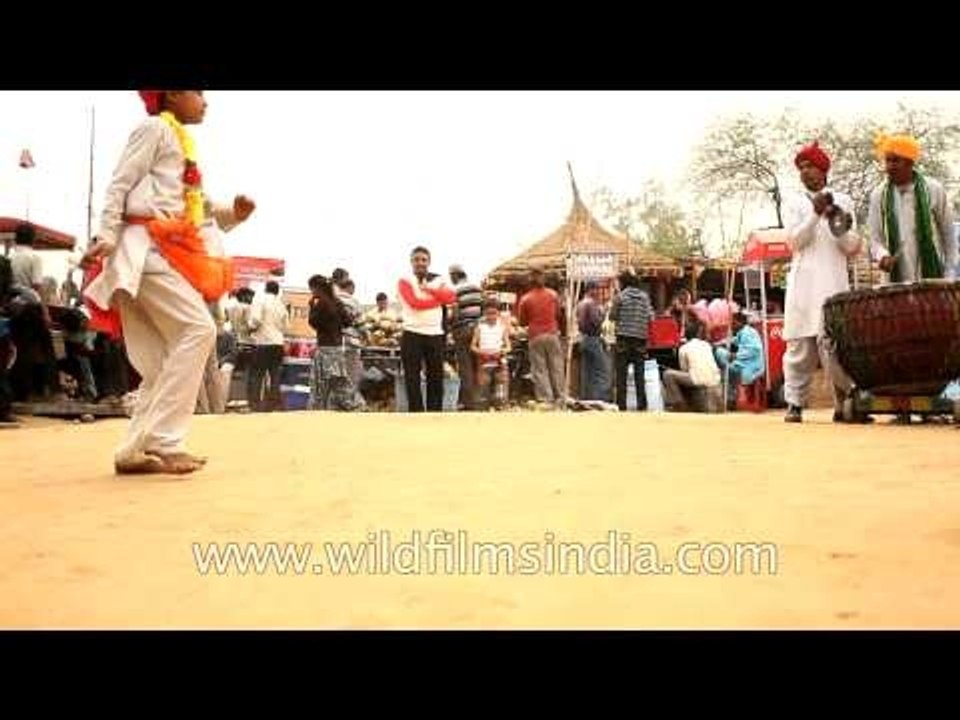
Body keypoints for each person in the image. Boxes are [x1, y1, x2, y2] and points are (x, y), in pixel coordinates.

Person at [82, 90, 256, 475]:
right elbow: (119, 184)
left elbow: (198, 209)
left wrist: (234, 214)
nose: (205, 101)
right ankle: (165, 440)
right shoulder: (154, 128)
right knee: (198, 330)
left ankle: (132, 450)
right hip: (144, 253)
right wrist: (107, 235)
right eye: (199, 93)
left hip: (153, 255)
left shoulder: (180, 143)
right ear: (173, 95)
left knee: (160, 362)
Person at [781, 140, 867, 424]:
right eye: (801, 167)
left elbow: (852, 247)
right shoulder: (793, 202)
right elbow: (794, 242)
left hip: (833, 284)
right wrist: (815, 213)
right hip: (803, 286)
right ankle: (794, 404)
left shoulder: (843, 199)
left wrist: (835, 220)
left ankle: (844, 403)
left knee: (834, 348)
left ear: (823, 169)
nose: (805, 172)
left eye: (810, 166)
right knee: (800, 349)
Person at [867, 134, 957, 282]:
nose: (889, 166)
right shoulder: (879, 195)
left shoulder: (933, 189)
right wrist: (882, 256)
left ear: (910, 162)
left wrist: (949, 275)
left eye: (895, 161)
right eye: (887, 161)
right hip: (895, 283)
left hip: (932, 280)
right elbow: (875, 239)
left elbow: (948, 236)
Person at [396, 246, 456, 412]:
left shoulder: (438, 280)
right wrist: (438, 299)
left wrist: (429, 289)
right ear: (411, 262)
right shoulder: (404, 280)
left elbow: (451, 297)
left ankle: (435, 412)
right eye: (416, 259)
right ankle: (416, 413)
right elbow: (415, 303)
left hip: (435, 334)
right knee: (412, 377)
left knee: (436, 377)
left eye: (423, 259)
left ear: (429, 262)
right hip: (412, 334)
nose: (420, 263)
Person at [307, 274, 359, 410]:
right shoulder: (336, 302)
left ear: (316, 287)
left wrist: (311, 306)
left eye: (311, 289)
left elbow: (313, 322)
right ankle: (355, 406)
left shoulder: (321, 303)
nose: (311, 292)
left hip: (325, 349)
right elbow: (348, 322)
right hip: (337, 348)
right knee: (340, 382)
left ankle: (317, 410)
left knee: (320, 384)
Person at [517, 267, 565, 407]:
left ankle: (546, 398)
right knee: (556, 366)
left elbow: (522, 321)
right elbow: (558, 314)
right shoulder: (553, 295)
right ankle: (560, 396)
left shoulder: (525, 299)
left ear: (529, 282)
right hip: (552, 333)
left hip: (535, 335)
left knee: (540, 368)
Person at [608, 270, 653, 411]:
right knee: (639, 375)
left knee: (621, 376)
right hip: (640, 340)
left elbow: (612, 317)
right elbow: (651, 317)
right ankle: (642, 406)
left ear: (623, 283)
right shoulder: (645, 297)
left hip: (623, 340)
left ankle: (622, 406)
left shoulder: (620, 297)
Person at [247, 280, 289, 412]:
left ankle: (255, 405)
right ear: (277, 291)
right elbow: (286, 327)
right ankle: (272, 405)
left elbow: (256, 320)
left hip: (263, 342)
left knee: (257, 374)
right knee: (275, 374)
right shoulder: (281, 305)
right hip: (278, 343)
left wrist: (251, 328)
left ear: (266, 289)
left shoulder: (260, 299)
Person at [662, 320, 720, 412]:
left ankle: (678, 404)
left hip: (698, 379)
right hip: (715, 380)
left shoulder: (683, 348)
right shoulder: (706, 345)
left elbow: (684, 369)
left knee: (667, 374)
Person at [448, 264, 484, 410]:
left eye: (451, 276)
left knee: (465, 366)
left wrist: (449, 325)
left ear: (455, 275)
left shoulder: (454, 291)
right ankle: (480, 399)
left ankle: (469, 403)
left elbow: (454, 313)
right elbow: (482, 310)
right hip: (478, 330)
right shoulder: (477, 288)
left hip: (462, 330)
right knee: (478, 365)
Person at [714, 311, 764, 408]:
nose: (731, 325)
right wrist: (717, 343)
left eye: (733, 323)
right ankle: (731, 398)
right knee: (720, 353)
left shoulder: (748, 332)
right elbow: (733, 340)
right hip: (743, 364)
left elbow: (754, 350)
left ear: (740, 323)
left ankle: (731, 399)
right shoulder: (742, 332)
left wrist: (736, 356)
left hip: (751, 368)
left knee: (724, 370)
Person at [471, 297, 511, 409]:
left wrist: (502, 351)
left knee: (501, 389)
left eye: (494, 313)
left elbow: (508, 346)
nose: (491, 316)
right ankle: (483, 408)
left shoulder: (502, 327)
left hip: (499, 361)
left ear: (498, 313)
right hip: (484, 362)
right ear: (484, 313)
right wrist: (482, 353)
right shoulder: (480, 327)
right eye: (488, 313)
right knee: (483, 390)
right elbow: (473, 346)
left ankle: (500, 406)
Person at [576, 281, 609, 401]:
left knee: (587, 372)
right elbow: (597, 322)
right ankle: (599, 398)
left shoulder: (580, 303)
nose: (598, 292)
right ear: (590, 289)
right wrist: (604, 311)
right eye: (597, 289)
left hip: (583, 338)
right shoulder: (591, 304)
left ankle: (587, 398)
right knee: (601, 371)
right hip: (593, 339)